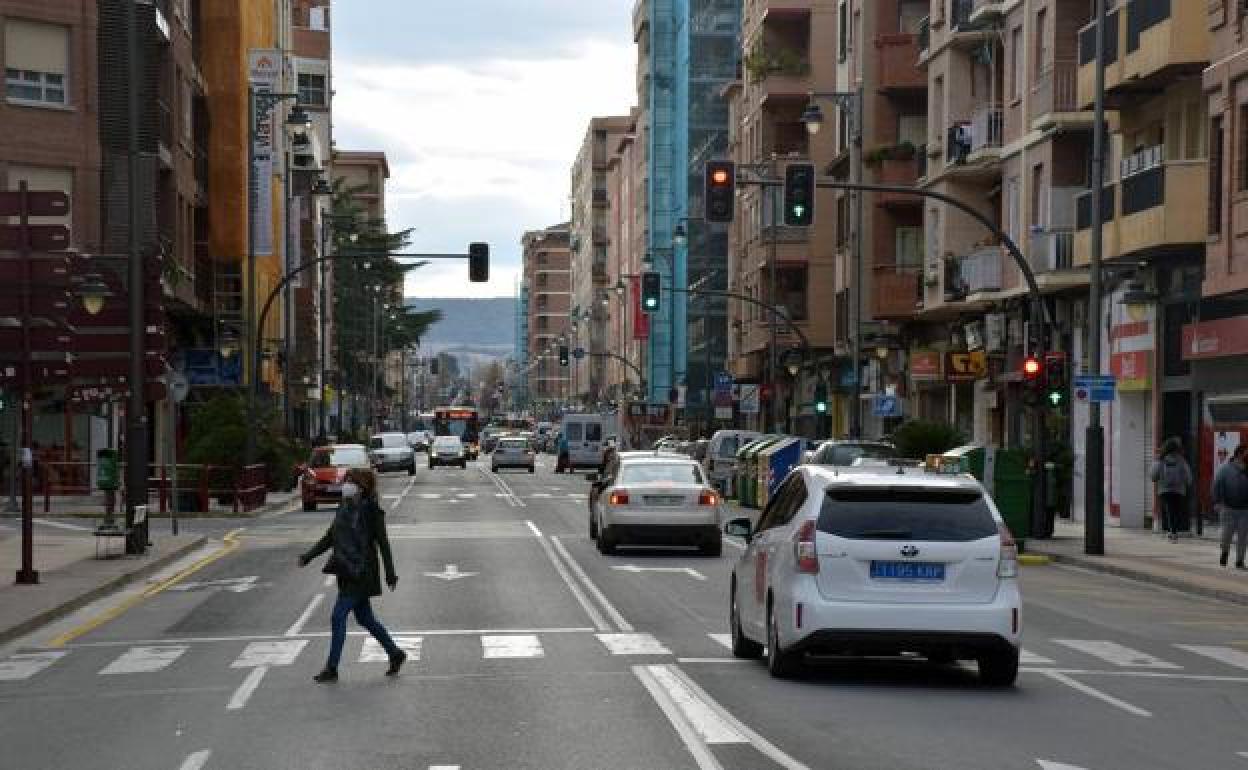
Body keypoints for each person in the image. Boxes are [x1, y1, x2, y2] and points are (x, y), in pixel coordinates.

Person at [299, 467, 406, 682]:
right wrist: (309, 556)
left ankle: (332, 667)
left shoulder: (371, 511)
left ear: (361, 487)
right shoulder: (344, 508)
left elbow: (383, 544)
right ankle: (395, 653)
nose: (346, 484)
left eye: (351, 481)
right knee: (365, 618)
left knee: (338, 616)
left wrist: (390, 574)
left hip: (363, 571)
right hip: (346, 569)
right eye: (346, 480)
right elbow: (330, 537)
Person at [1149, 437, 1193, 541]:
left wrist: (1155, 478)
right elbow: (1188, 475)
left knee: (1169, 509)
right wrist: (1188, 483)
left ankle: (1172, 532)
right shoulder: (1181, 460)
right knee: (1176, 510)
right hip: (1179, 489)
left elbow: (1153, 474)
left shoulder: (1161, 459)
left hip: (1164, 489)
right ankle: (1173, 531)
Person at [1213, 444, 1248, 569]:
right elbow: (1216, 485)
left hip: (1245, 509)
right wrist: (1217, 502)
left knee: (1243, 537)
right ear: (1239, 454)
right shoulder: (1225, 468)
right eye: (1246, 453)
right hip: (1228, 507)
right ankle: (1225, 552)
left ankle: (1239, 561)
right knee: (1227, 534)